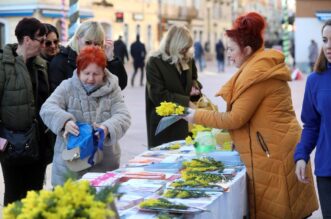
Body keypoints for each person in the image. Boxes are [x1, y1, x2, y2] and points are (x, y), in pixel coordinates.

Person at [184, 12, 318, 218]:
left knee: (284, 212)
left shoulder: (257, 74)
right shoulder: (254, 67)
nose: (228, 54)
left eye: (231, 49)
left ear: (246, 50)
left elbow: (234, 119)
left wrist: (195, 116)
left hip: (275, 154)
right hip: (275, 150)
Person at [40, 46, 131, 186]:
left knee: (102, 204)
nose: (90, 78)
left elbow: (123, 115)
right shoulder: (67, 86)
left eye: (96, 74)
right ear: (78, 70)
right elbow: (47, 108)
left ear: (104, 72)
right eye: (86, 73)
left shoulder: (113, 89)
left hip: (103, 162)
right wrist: (65, 122)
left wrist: (107, 128)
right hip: (71, 163)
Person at [0, 17, 53, 205]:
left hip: (38, 142)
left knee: (36, 195)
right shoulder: (4, 65)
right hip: (11, 144)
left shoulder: (41, 65)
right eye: (41, 39)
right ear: (27, 39)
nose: (44, 44)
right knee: (14, 195)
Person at [294, 19, 331, 218]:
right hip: (327, 171)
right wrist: (301, 155)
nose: (328, 46)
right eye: (325, 40)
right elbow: (311, 125)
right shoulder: (315, 80)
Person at [145, 25, 201, 149]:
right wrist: (186, 102)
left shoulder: (188, 59)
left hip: (186, 123)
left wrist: (195, 87)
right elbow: (158, 95)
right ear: (174, 44)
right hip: (165, 126)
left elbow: (194, 79)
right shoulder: (154, 62)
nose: (186, 51)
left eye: (188, 47)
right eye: (184, 47)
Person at [49, 21, 127, 93]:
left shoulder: (102, 60)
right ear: (77, 39)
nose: (92, 47)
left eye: (97, 44)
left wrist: (110, 59)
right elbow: (58, 98)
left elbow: (120, 85)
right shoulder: (61, 61)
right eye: (88, 43)